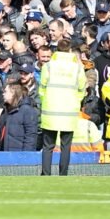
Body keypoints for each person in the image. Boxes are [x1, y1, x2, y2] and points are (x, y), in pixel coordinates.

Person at [38, 39, 86, 176]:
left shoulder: (48, 66)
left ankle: (46, 174)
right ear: (70, 50)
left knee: (48, 146)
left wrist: (46, 101)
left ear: (56, 50)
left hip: (50, 111)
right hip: (69, 113)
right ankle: (63, 174)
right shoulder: (77, 68)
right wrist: (75, 102)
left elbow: (42, 89)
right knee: (66, 147)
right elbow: (82, 89)